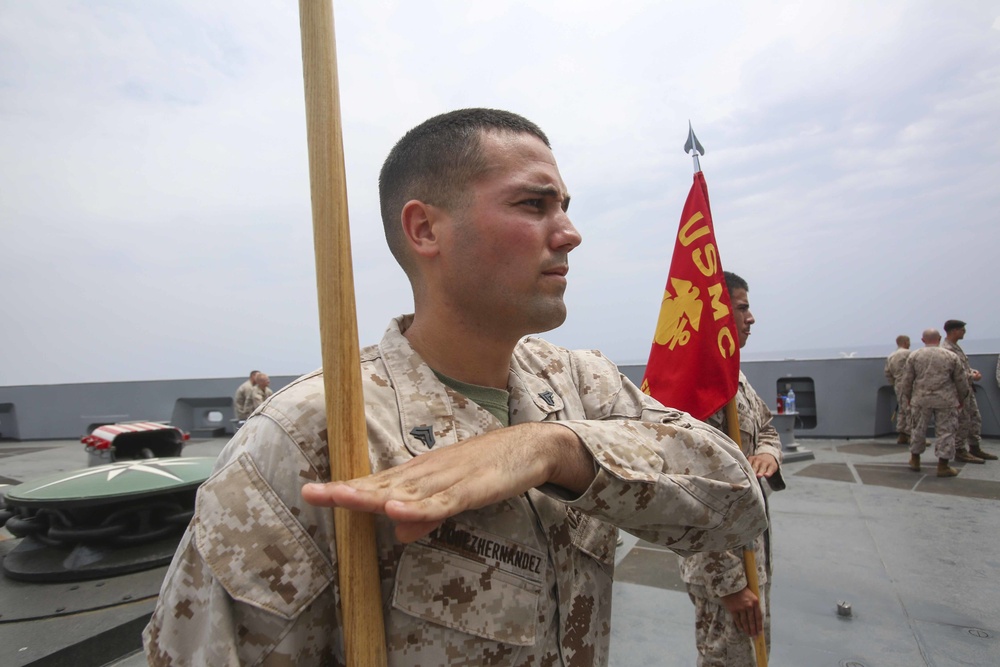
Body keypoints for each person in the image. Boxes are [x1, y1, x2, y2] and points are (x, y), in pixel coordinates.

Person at [143, 108, 767, 666]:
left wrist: (550, 448)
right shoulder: (313, 434)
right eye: (534, 205)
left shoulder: (579, 385)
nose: (570, 232)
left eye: (566, 206)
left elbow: (737, 503)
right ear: (425, 230)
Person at [679, 271, 785, 667]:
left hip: (751, 548)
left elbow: (768, 427)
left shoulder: (732, 376)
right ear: (717, 313)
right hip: (724, 567)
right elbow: (692, 495)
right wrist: (729, 585)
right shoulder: (700, 391)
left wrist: (769, 456)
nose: (751, 318)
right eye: (742, 308)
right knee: (728, 659)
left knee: (752, 654)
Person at [899, 328, 969, 477]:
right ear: (939, 338)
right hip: (946, 400)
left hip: (921, 399)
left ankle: (915, 460)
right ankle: (943, 466)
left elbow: (906, 381)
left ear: (923, 340)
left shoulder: (914, 356)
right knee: (946, 432)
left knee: (917, 429)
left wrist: (909, 397)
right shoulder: (951, 356)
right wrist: (962, 398)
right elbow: (961, 380)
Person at [941, 320, 995, 462]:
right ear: (953, 331)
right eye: (962, 330)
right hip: (957, 392)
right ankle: (960, 450)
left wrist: (971, 372)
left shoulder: (956, 347)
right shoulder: (947, 349)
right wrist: (972, 376)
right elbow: (951, 373)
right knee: (963, 421)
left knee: (974, 419)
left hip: (966, 390)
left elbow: (961, 368)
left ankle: (974, 447)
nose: (964, 332)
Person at [884, 335, 912, 444]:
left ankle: (902, 435)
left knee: (902, 409)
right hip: (909, 384)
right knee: (911, 410)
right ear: (905, 342)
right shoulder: (909, 354)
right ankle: (912, 436)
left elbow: (887, 372)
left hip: (898, 384)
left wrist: (894, 384)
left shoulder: (891, 356)